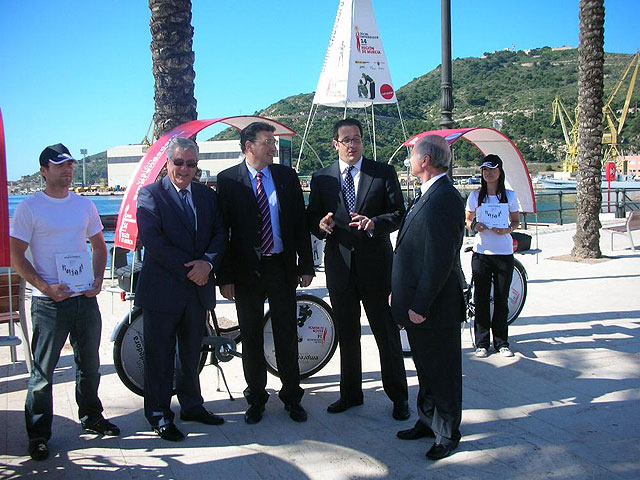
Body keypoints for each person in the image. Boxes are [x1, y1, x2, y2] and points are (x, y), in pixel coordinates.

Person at [10, 143, 119, 461]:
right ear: (44, 171)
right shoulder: (29, 207)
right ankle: (38, 435)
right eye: (60, 165)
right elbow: (17, 257)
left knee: (90, 365)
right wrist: (46, 287)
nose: (68, 169)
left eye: (70, 164)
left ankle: (92, 417)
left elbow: (99, 246)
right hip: (48, 303)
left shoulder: (84, 205)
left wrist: (97, 281)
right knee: (43, 373)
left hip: (84, 299)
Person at [307, 118, 409, 419]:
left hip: (377, 268)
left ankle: (399, 397)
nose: (352, 145)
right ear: (335, 144)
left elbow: (399, 214)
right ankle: (350, 394)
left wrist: (374, 223)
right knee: (347, 335)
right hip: (340, 268)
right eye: (346, 140)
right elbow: (311, 217)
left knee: (386, 334)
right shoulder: (322, 178)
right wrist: (320, 225)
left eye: (357, 139)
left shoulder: (383, 172)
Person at [216, 122, 314, 424]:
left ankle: (292, 397)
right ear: (249, 146)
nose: (273, 147)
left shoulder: (286, 176)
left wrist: (305, 264)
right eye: (268, 142)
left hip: (281, 267)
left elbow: (299, 223)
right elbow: (222, 232)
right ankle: (256, 398)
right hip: (246, 272)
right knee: (252, 335)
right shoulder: (228, 180)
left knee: (286, 333)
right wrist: (225, 277)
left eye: (273, 141)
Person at [135, 137, 228, 442]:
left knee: (190, 355)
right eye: (178, 162)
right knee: (159, 358)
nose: (184, 169)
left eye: (191, 164)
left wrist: (208, 264)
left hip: (197, 292)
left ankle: (192, 406)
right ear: (167, 163)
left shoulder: (206, 196)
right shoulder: (150, 195)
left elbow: (220, 234)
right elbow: (153, 241)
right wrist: (193, 269)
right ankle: (159, 415)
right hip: (163, 291)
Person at [391, 135, 465, 461]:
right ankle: (427, 420)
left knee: (443, 372)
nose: (409, 161)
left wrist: (420, 304)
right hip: (416, 302)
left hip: (435, 306)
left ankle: (447, 433)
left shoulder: (444, 197)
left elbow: (439, 259)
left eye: (412, 156)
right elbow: (412, 250)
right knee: (425, 368)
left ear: (425, 161)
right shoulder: (428, 193)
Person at [465, 154, 520, 358]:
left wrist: (507, 230)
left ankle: (501, 342)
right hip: (481, 253)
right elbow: (467, 219)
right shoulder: (475, 196)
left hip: (504, 253)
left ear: (500, 171)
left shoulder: (510, 196)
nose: (488, 173)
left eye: (492, 169)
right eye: (484, 169)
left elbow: (516, 221)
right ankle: (481, 343)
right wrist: (475, 225)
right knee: (480, 298)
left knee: (501, 299)